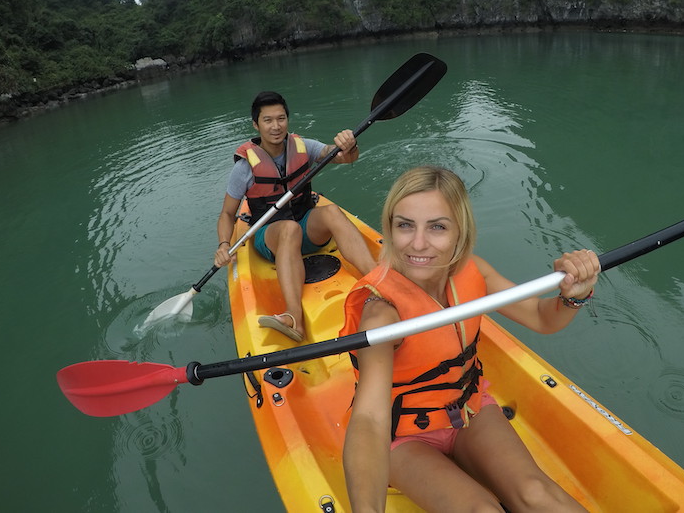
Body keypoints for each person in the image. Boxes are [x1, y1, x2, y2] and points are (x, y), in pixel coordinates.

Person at [340, 166, 599, 512]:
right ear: (389, 228)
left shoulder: (473, 271)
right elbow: (370, 419)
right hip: (404, 438)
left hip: (469, 408)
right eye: (405, 225)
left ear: (460, 232)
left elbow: (541, 317)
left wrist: (573, 295)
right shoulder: (381, 313)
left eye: (437, 227)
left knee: (538, 494)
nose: (418, 243)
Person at [214, 91, 376, 342]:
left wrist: (349, 146)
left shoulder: (303, 146)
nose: (276, 126)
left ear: (288, 120)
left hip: (304, 225)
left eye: (281, 119)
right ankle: (294, 318)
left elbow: (344, 158)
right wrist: (224, 244)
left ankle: (379, 282)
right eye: (268, 120)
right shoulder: (244, 167)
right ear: (256, 124)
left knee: (332, 212)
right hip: (270, 236)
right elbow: (227, 214)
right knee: (288, 228)